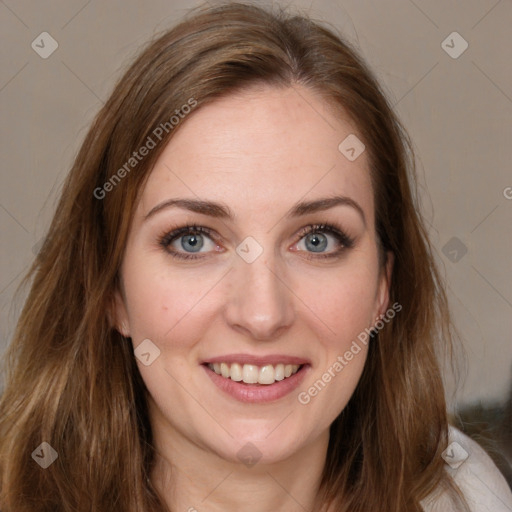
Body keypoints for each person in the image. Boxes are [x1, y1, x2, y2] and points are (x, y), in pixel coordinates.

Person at [0, 2, 510, 511]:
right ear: (111, 289)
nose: (263, 314)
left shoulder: (466, 496)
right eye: (193, 240)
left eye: (317, 240)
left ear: (384, 287)